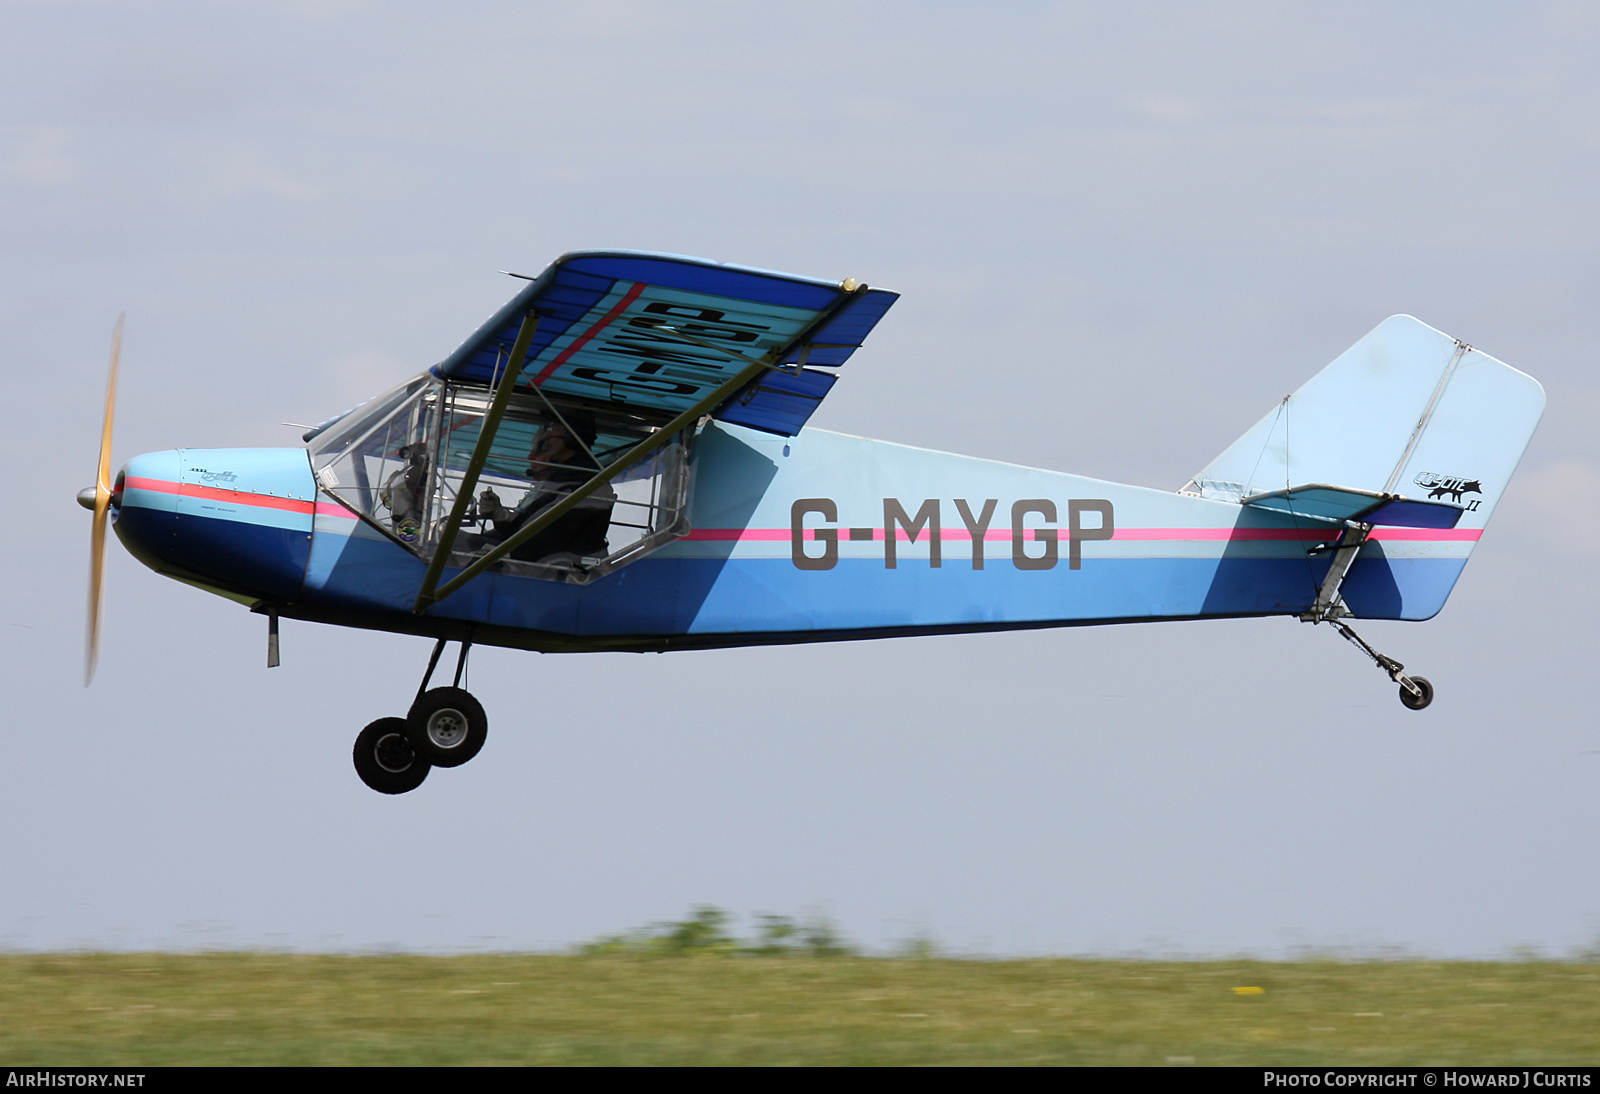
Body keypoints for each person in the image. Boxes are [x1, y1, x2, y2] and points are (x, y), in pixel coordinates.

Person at [465, 413, 614, 565]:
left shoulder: (591, 484)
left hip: (562, 571)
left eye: (553, 428)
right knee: (452, 538)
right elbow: (529, 525)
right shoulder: (561, 480)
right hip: (536, 563)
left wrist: (511, 553)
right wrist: (501, 516)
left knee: (458, 545)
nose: (546, 434)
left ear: (573, 436)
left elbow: (553, 534)